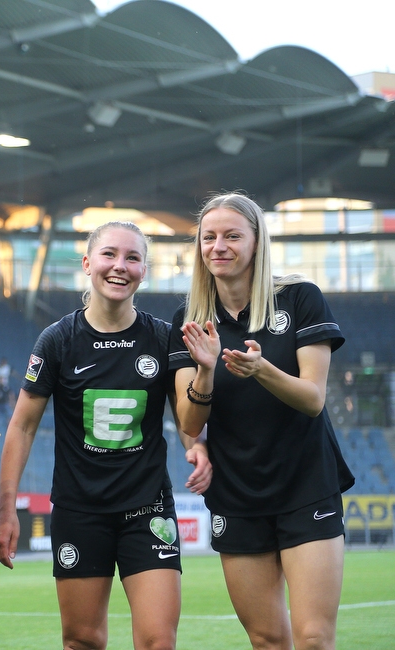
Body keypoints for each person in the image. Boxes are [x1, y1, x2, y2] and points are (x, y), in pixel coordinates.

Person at [0, 222, 211, 650]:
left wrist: (196, 446)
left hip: (147, 508)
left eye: (132, 258)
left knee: (158, 641)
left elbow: (185, 416)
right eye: (109, 254)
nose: (120, 266)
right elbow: (22, 425)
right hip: (80, 510)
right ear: (88, 263)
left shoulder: (163, 337)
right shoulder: (57, 340)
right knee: (82, 640)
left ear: (144, 270)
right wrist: (6, 509)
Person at [169, 193, 352, 650]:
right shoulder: (188, 320)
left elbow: (312, 400)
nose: (219, 246)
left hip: (306, 483)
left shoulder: (300, 298)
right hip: (236, 492)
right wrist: (207, 370)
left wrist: (262, 369)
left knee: (312, 639)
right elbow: (190, 424)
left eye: (233, 235)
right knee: (268, 639)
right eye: (208, 237)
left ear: (256, 242)